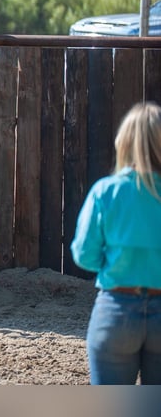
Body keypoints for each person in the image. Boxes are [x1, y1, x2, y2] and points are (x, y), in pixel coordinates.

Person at [71, 101, 161, 385]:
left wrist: (114, 263)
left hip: (117, 309)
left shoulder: (105, 191)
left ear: (125, 142)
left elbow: (84, 255)